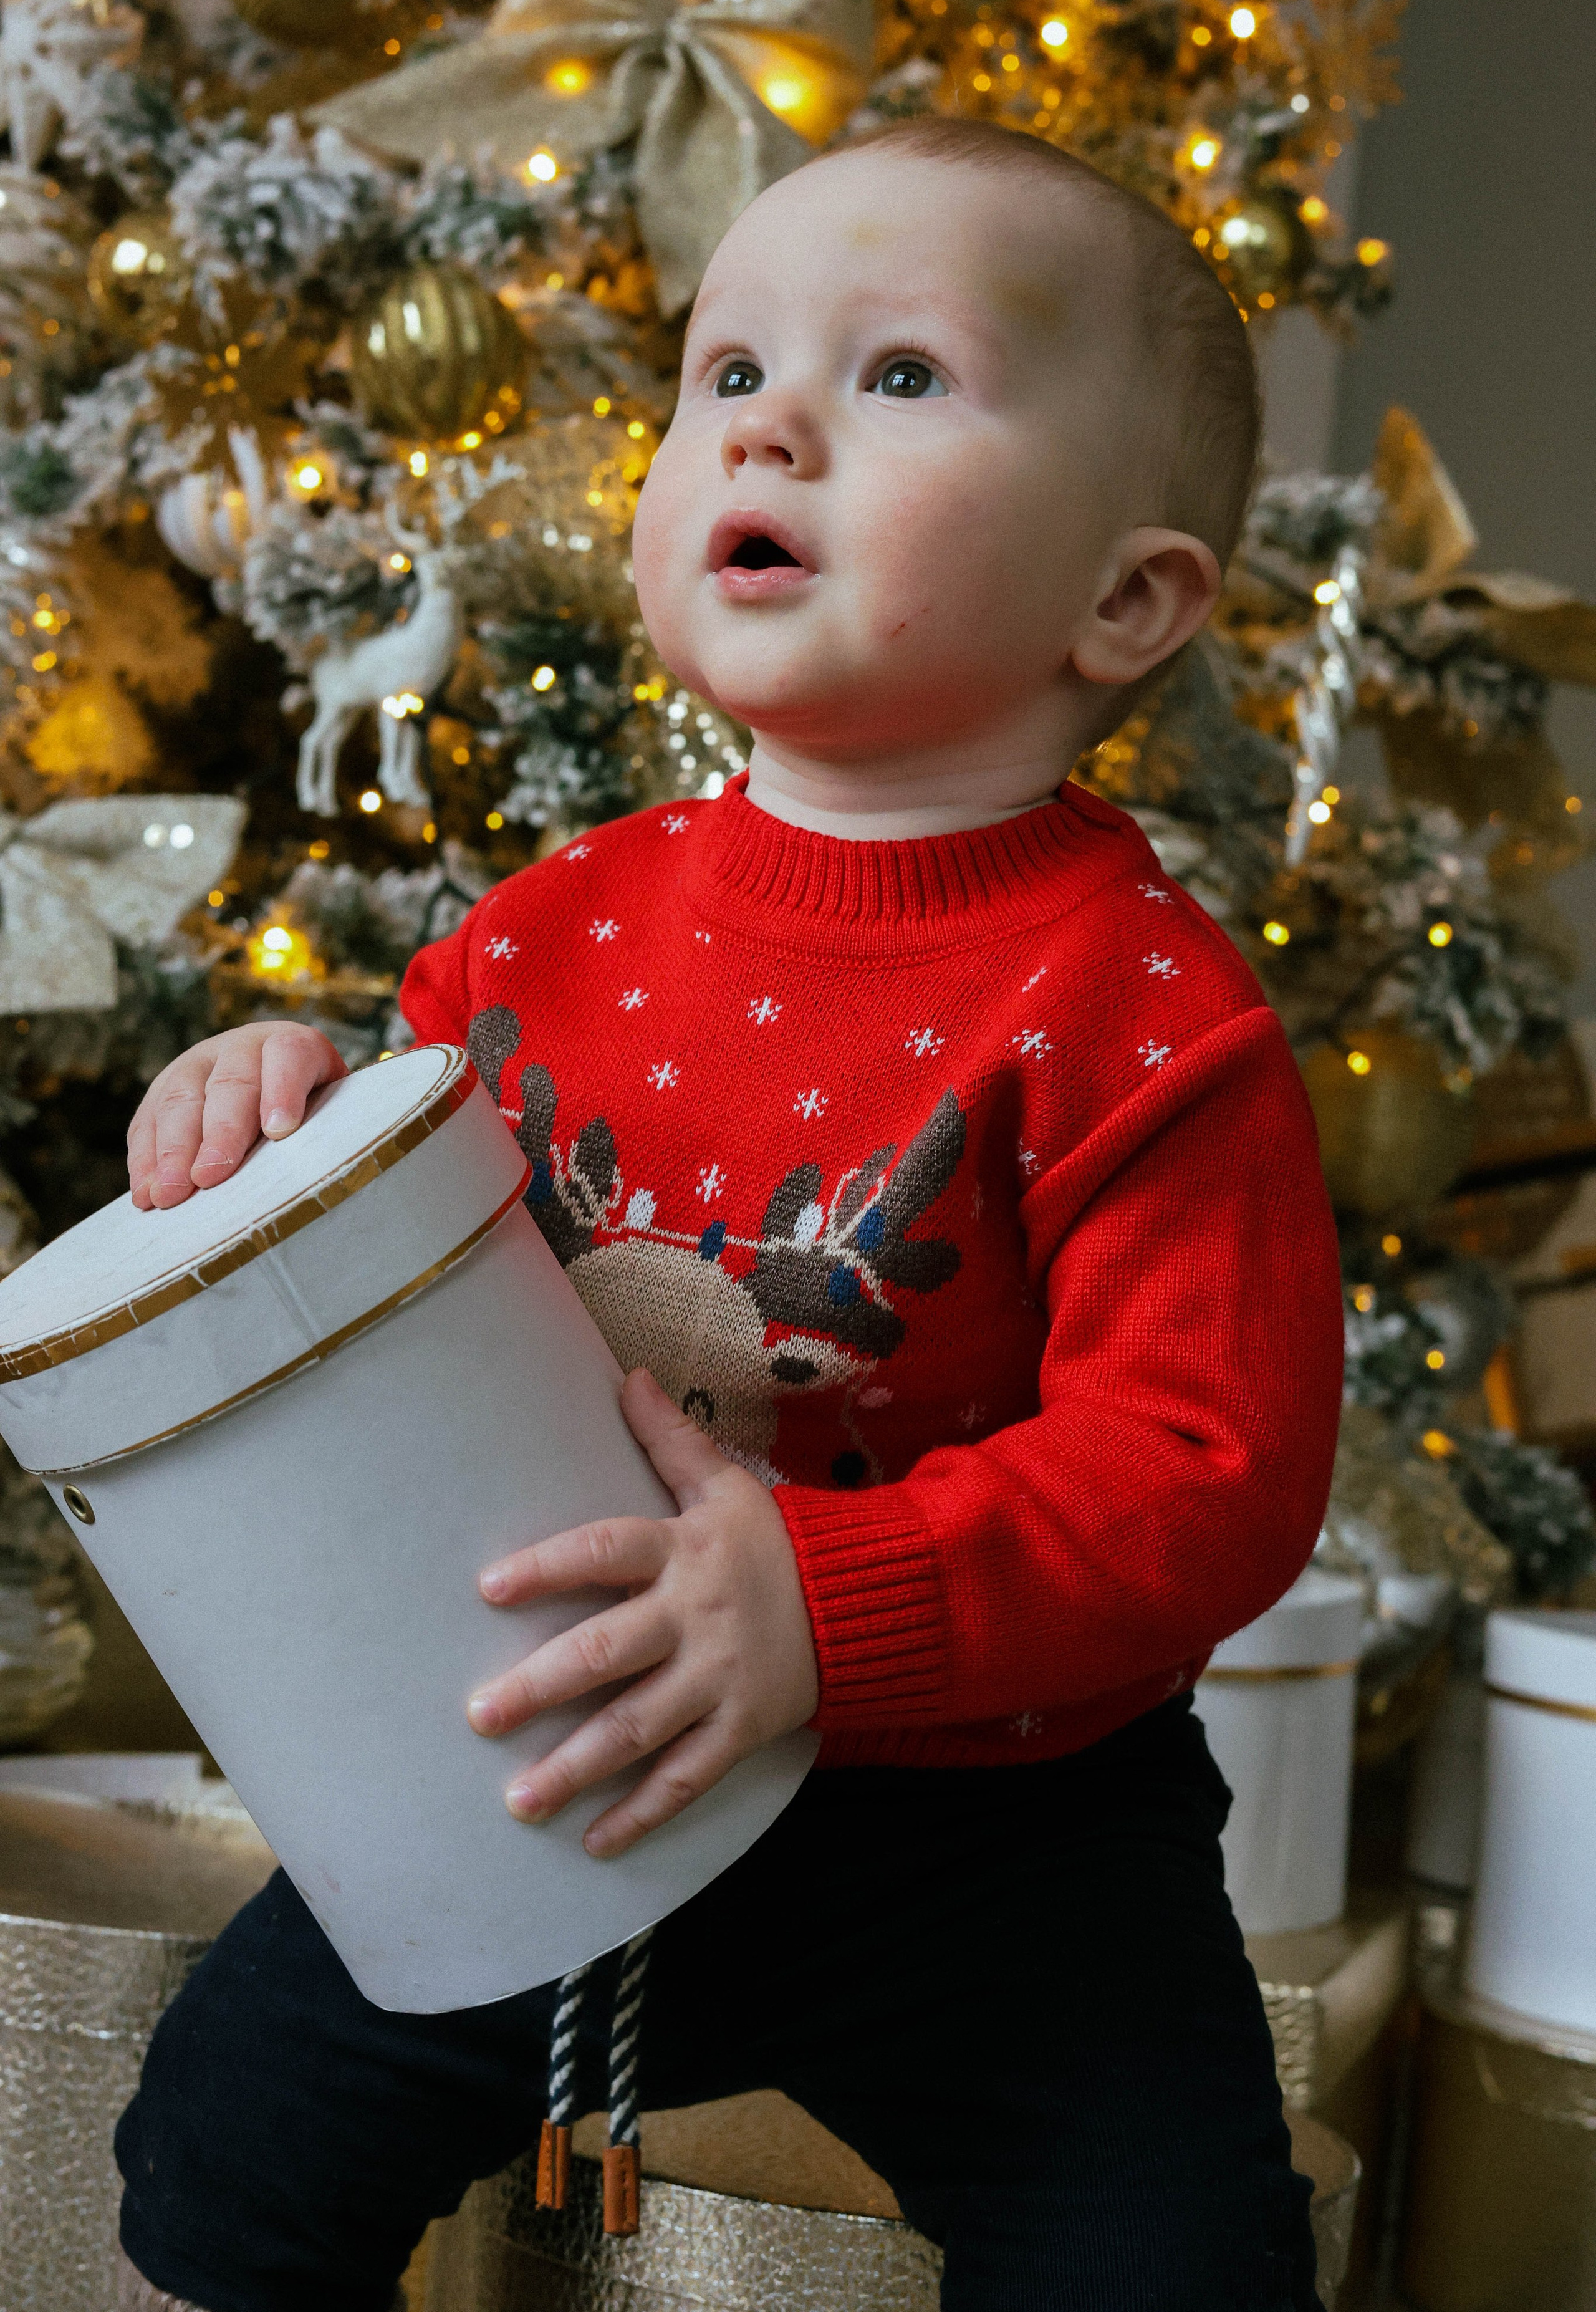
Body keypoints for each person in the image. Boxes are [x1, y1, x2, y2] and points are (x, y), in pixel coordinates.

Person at [114, 118, 1343, 2312]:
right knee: (218, 2167)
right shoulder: (542, 931)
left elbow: (1206, 1472)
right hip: (558, 1747)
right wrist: (274, 1112)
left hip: (998, 1829)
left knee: (1176, 2265)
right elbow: (393, 1264)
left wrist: (827, 1602)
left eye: (898, 377)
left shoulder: (1153, 1016)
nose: (765, 414)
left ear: (1128, 599)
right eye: (724, 368)